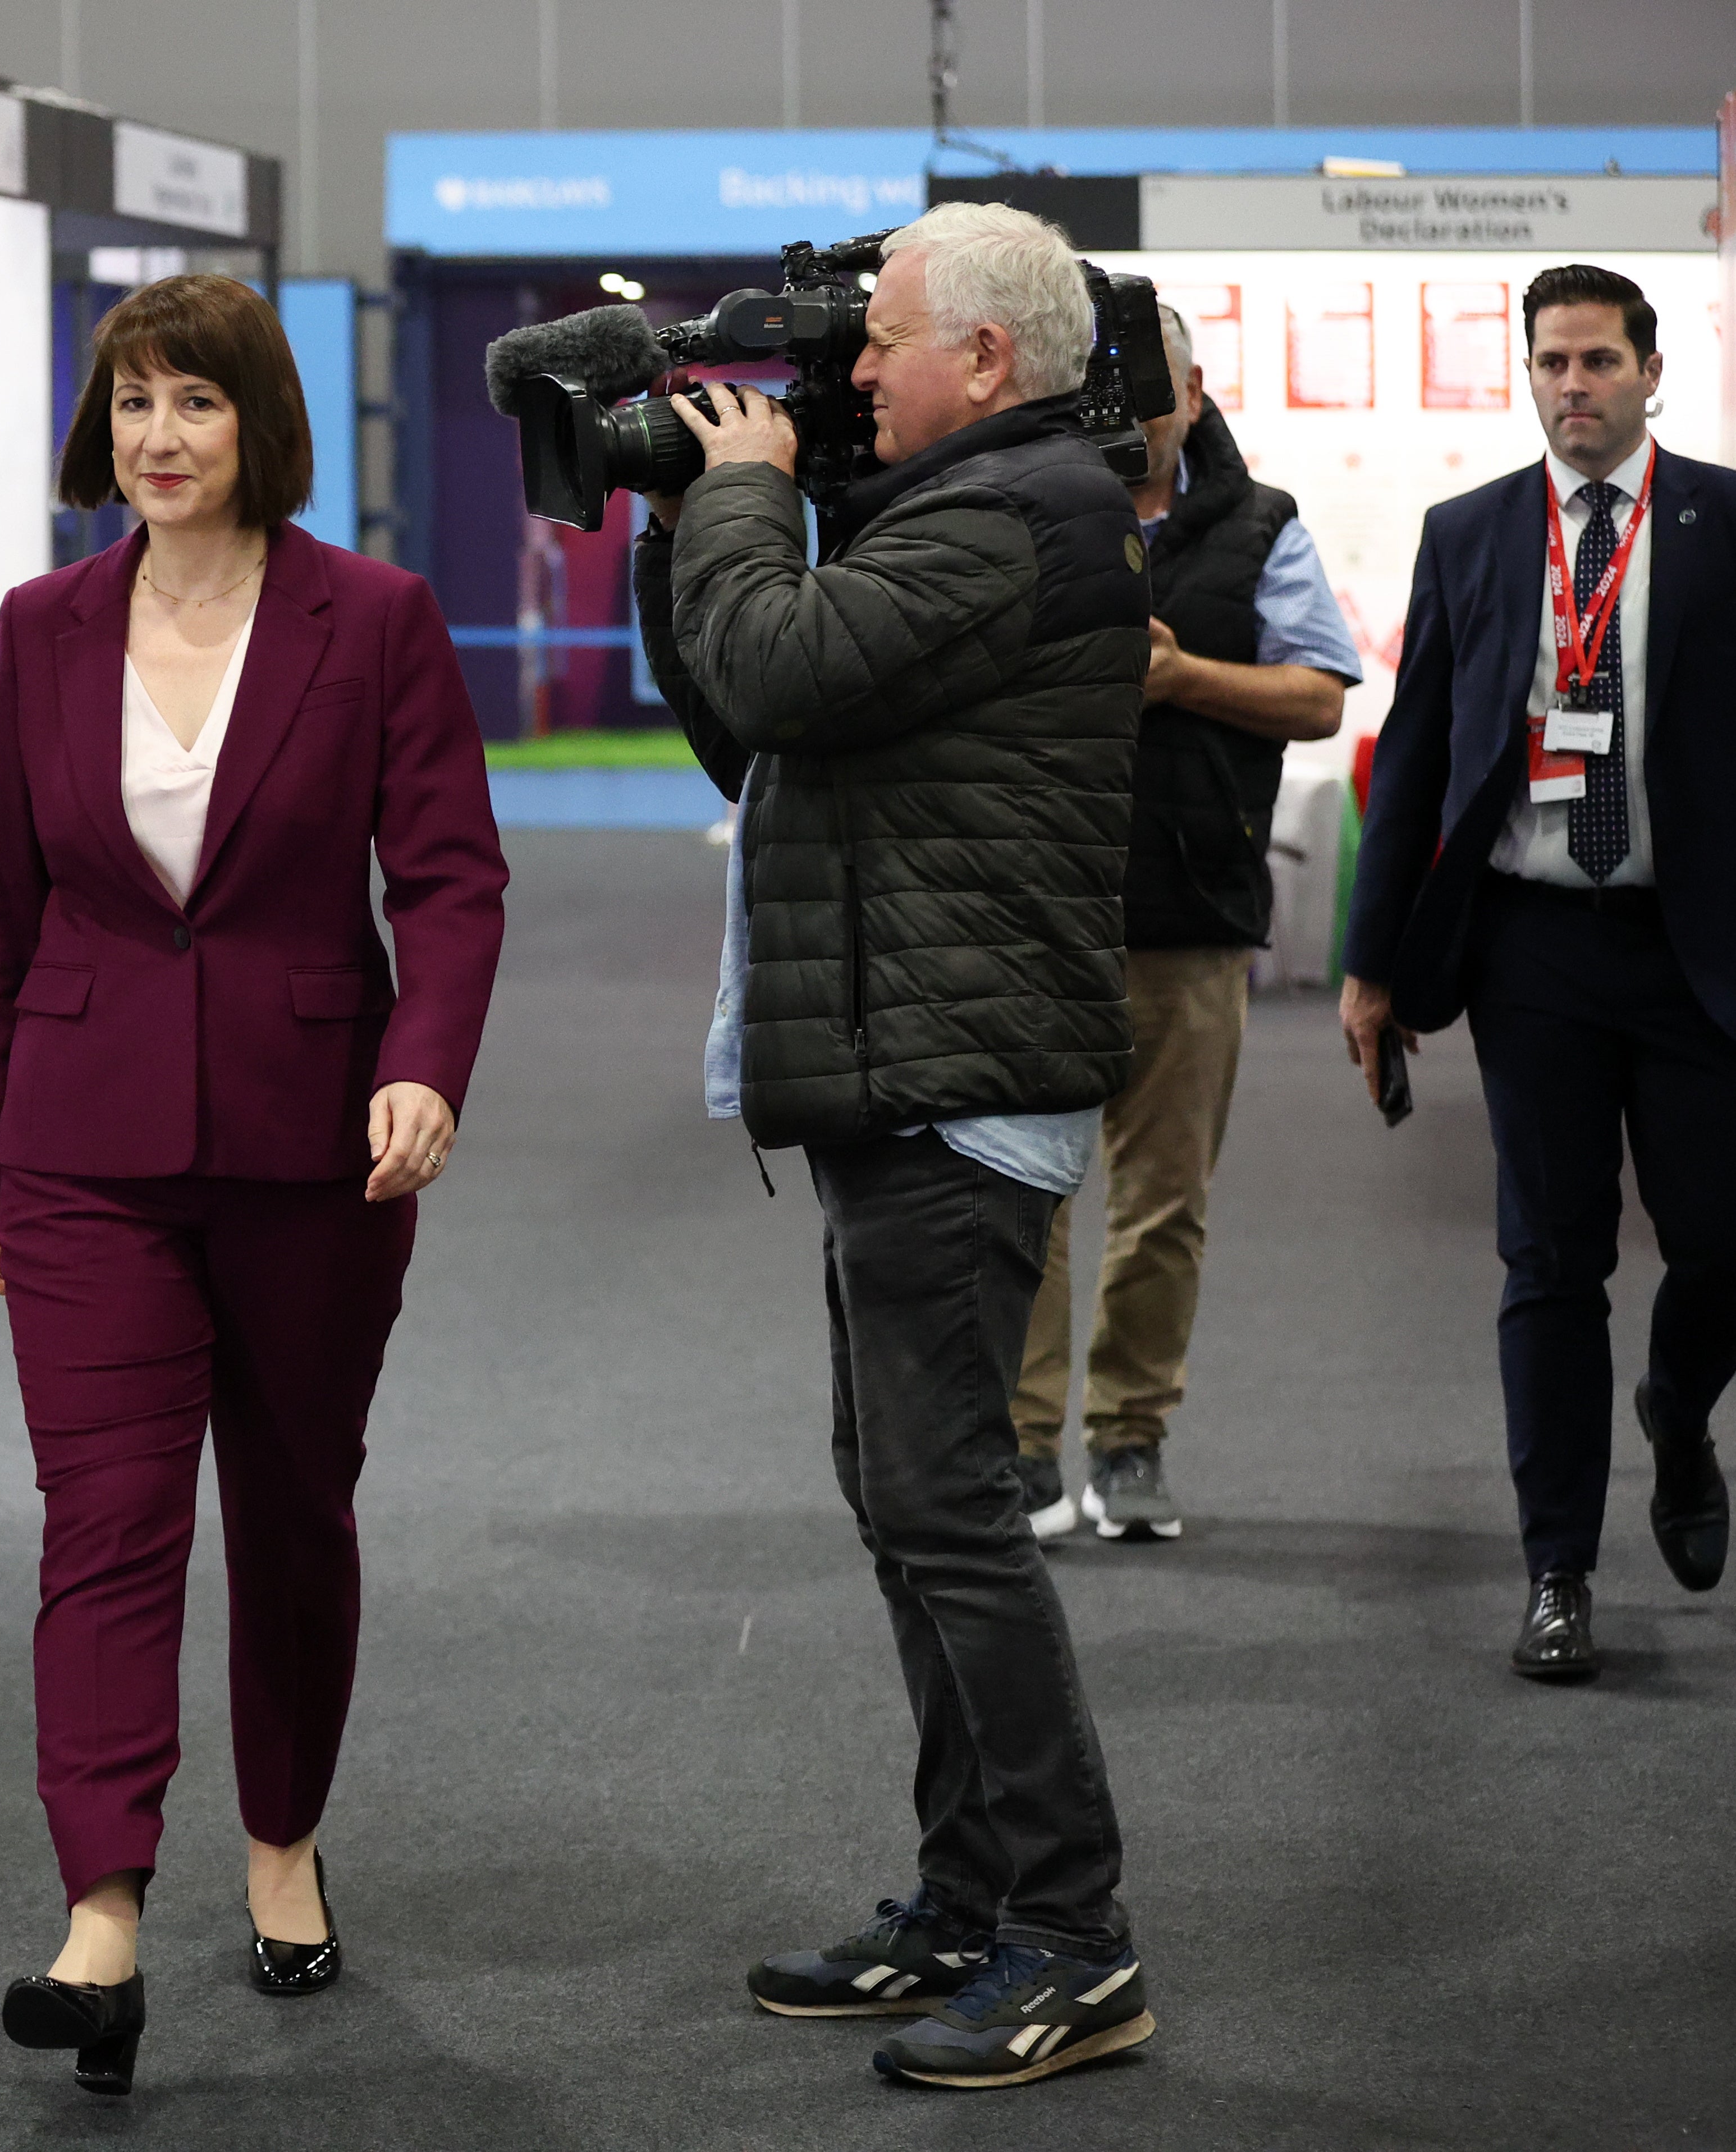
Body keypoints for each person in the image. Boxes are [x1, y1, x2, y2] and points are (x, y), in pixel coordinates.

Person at [0, 273, 507, 2096]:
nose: (157, 439)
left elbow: (445, 877)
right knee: (102, 1520)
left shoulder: (375, 619)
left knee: (287, 1508)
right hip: (81, 1141)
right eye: (129, 403)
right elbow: (6, 911)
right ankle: (99, 1912)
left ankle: (282, 1839)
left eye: (191, 403)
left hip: (311, 1141)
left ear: (255, 420)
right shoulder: (43, 626)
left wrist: (423, 1055)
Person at [635, 201, 1154, 2090]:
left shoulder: (1022, 512)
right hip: (899, 1069)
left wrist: (743, 493)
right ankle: (964, 1898)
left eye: (882, 340)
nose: (847, 371)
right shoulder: (968, 510)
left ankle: (1071, 1937)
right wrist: (675, 512)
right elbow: (748, 726)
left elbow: (772, 662)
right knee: (908, 1507)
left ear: (989, 359)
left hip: (950, 1078)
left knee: (947, 1517)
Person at [1340, 263, 1734, 1681]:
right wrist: (1371, 966)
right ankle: (1557, 1570)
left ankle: (1678, 1417)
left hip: (1700, 949)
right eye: (1550, 362)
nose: (1573, 386)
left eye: (1597, 362)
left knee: (1720, 1244)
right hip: (1534, 946)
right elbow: (1423, 757)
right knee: (1549, 1260)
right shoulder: (1473, 533)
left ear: (1649, 372)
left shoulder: (1719, 520)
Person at [1009, 304, 1363, 1544]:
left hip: (1191, 915)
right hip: (1034, 912)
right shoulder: (1029, 508)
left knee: (1165, 1202)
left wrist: (1180, 677)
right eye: (1107, 383)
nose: (1131, 407)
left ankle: (1130, 1441)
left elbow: (1320, 697)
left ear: (1195, 394)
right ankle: (1019, 1452)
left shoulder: (1258, 528)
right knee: (1024, 1199)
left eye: (1151, 384)